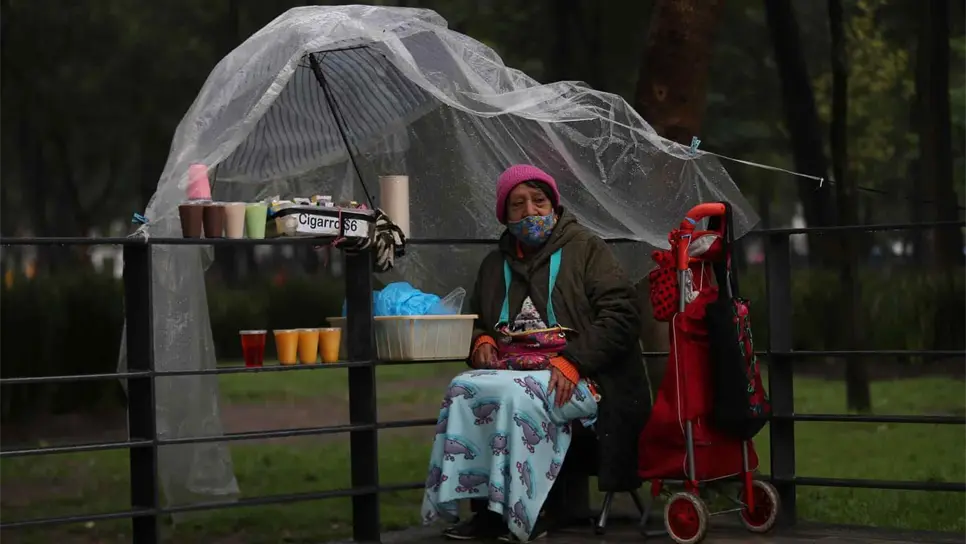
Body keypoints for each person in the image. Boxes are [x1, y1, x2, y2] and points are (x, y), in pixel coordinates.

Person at [420, 164, 648, 542]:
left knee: (518, 396)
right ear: (504, 216)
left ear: (554, 206)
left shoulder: (587, 249)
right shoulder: (495, 264)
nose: (530, 212)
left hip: (584, 374)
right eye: (518, 205)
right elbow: (477, 319)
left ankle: (528, 512)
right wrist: (480, 341)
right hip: (512, 371)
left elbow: (622, 314)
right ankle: (486, 512)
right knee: (462, 389)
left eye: (539, 202)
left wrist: (575, 360)